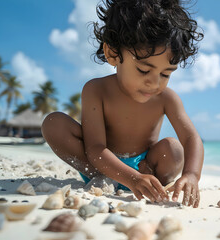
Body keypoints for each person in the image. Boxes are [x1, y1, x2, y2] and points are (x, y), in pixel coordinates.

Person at [41, 0, 204, 208]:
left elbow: (191, 138)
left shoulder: (167, 98)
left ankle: (151, 184)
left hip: (146, 167)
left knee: (173, 148)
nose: (154, 83)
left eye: (165, 74)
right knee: (53, 123)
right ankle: (106, 179)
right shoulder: (96, 90)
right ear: (112, 54)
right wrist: (131, 178)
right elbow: (95, 148)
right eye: (144, 70)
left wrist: (191, 174)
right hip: (100, 164)